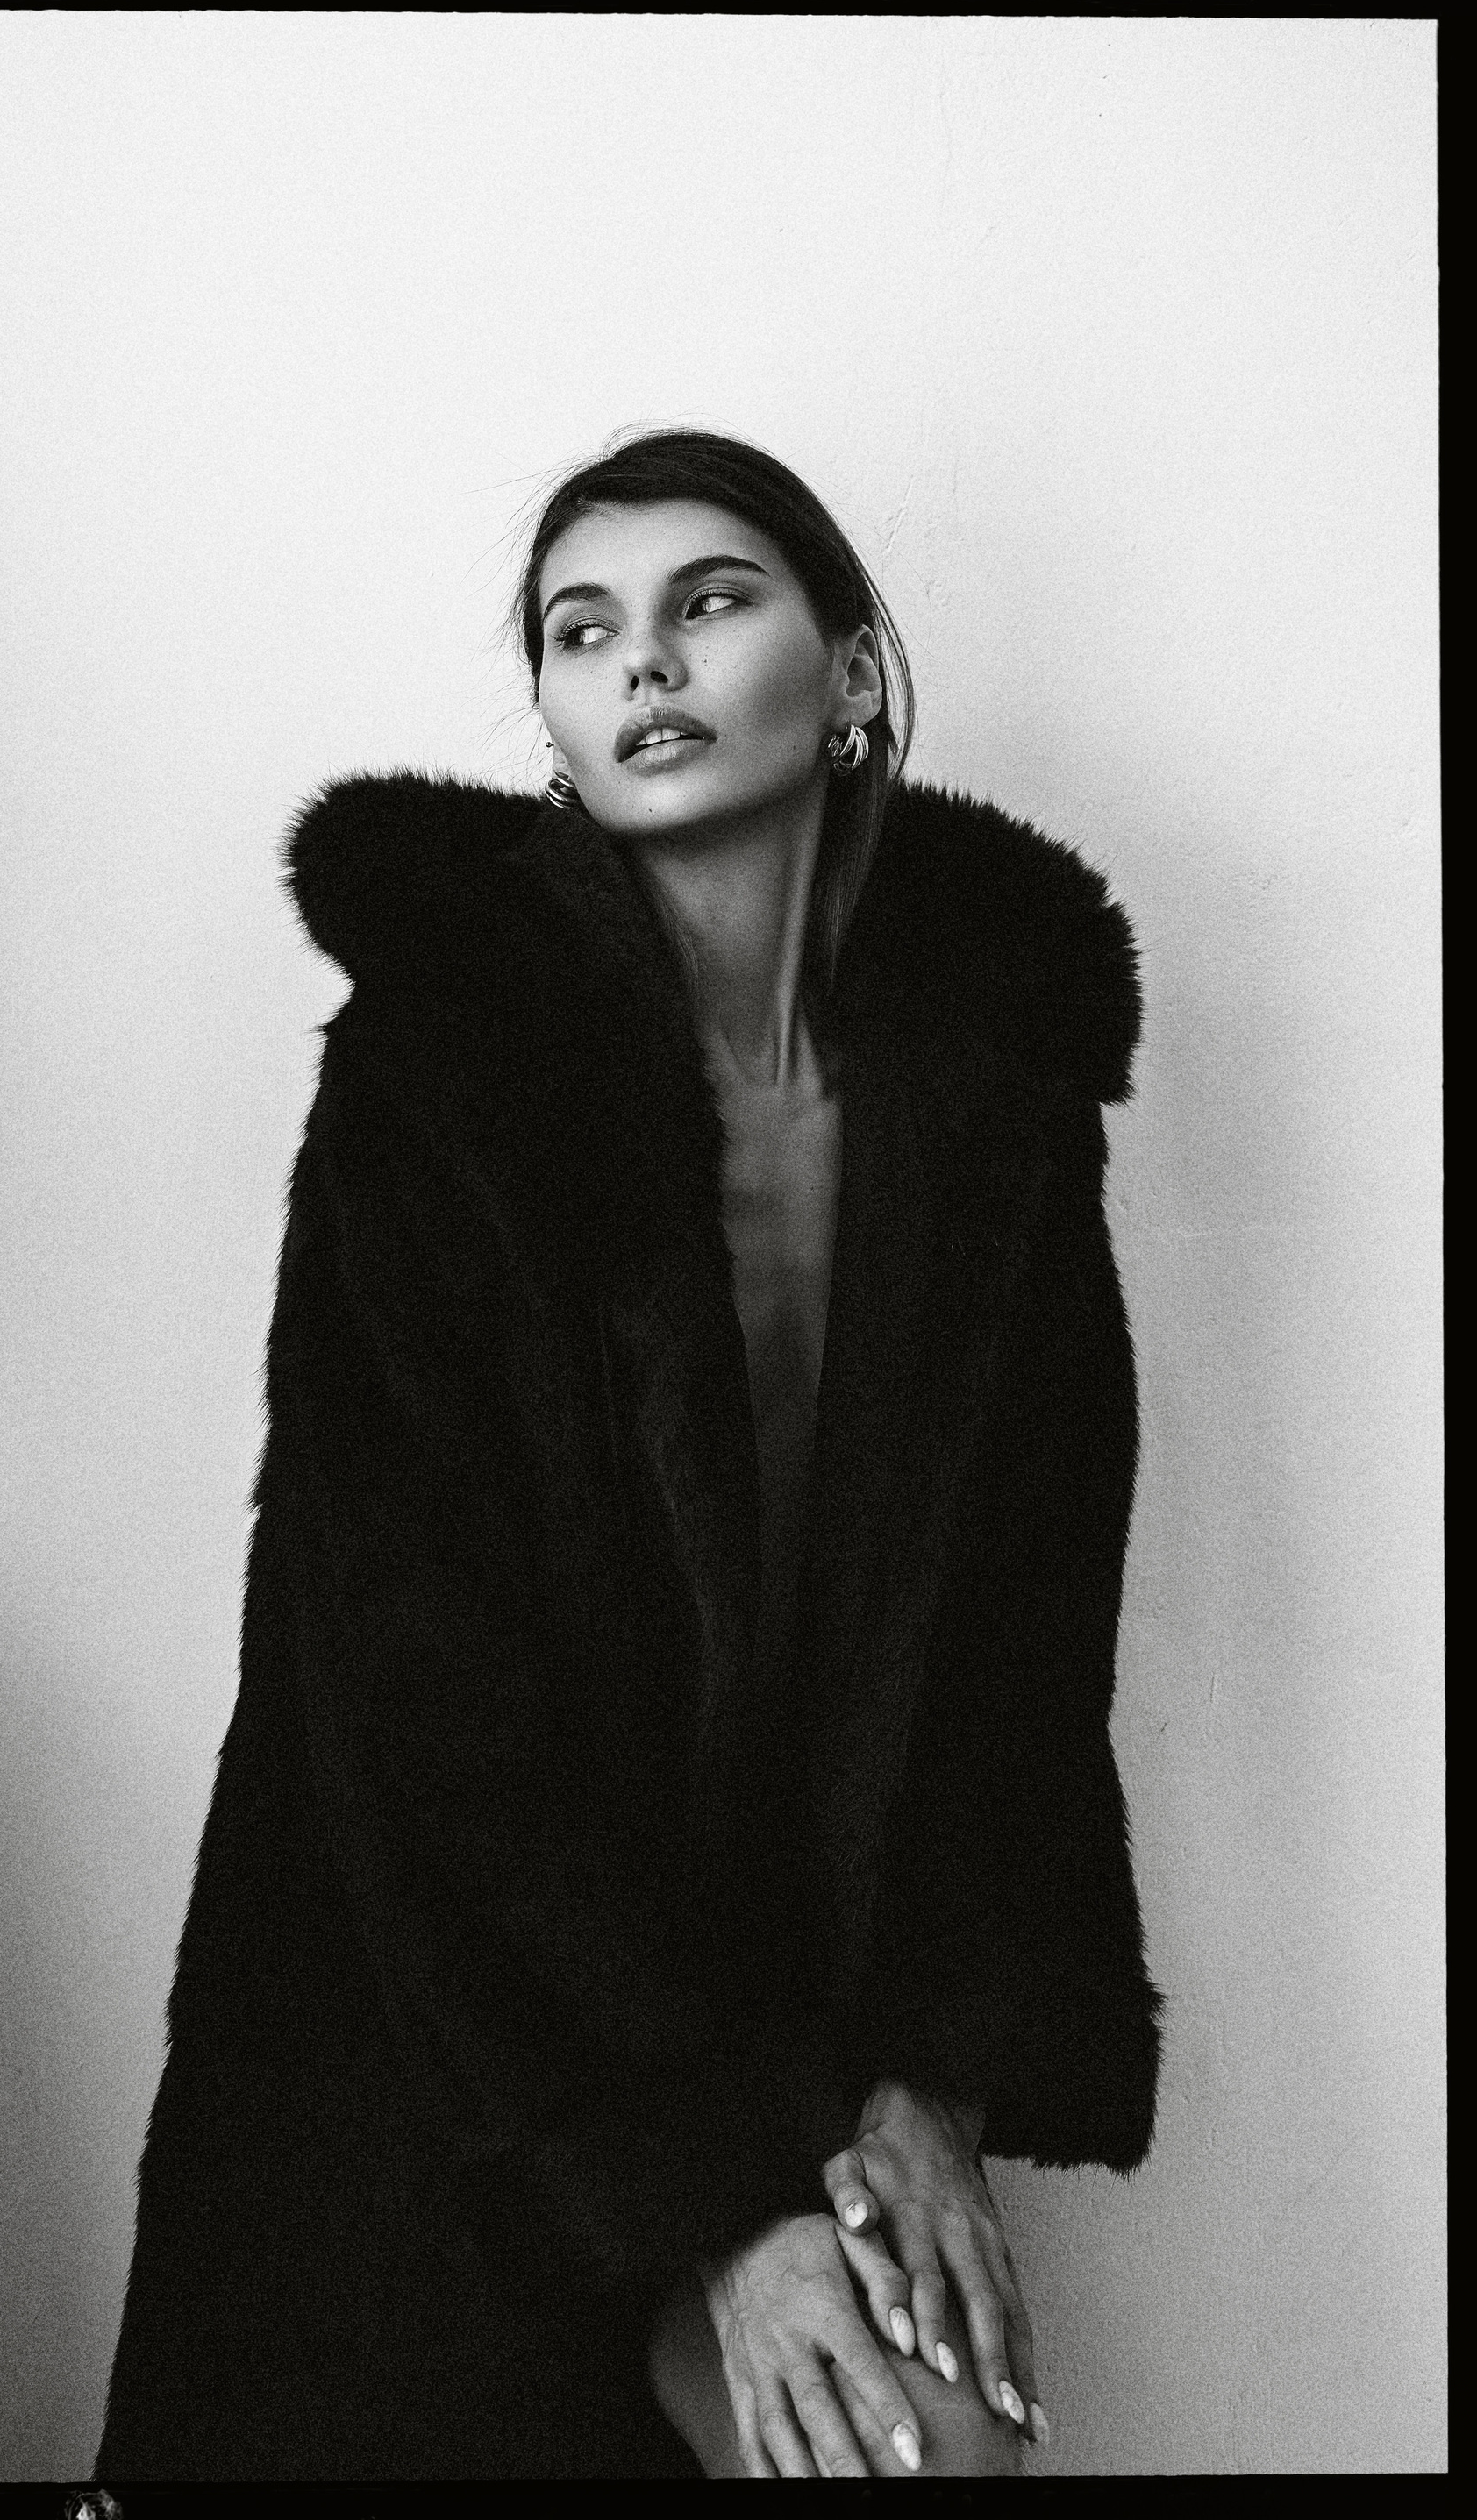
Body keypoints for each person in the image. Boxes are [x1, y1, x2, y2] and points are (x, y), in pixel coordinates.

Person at [96, 429, 1162, 2482]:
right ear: (563, 730)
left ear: (851, 673)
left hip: (802, 2007)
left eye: (710, 599)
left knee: (938, 2438)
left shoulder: (992, 1099)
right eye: (582, 631)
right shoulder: (440, 1072)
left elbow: (1024, 1645)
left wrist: (932, 2079)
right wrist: (717, 2188)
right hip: (457, 2021)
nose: (643, 660)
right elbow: (418, 1692)